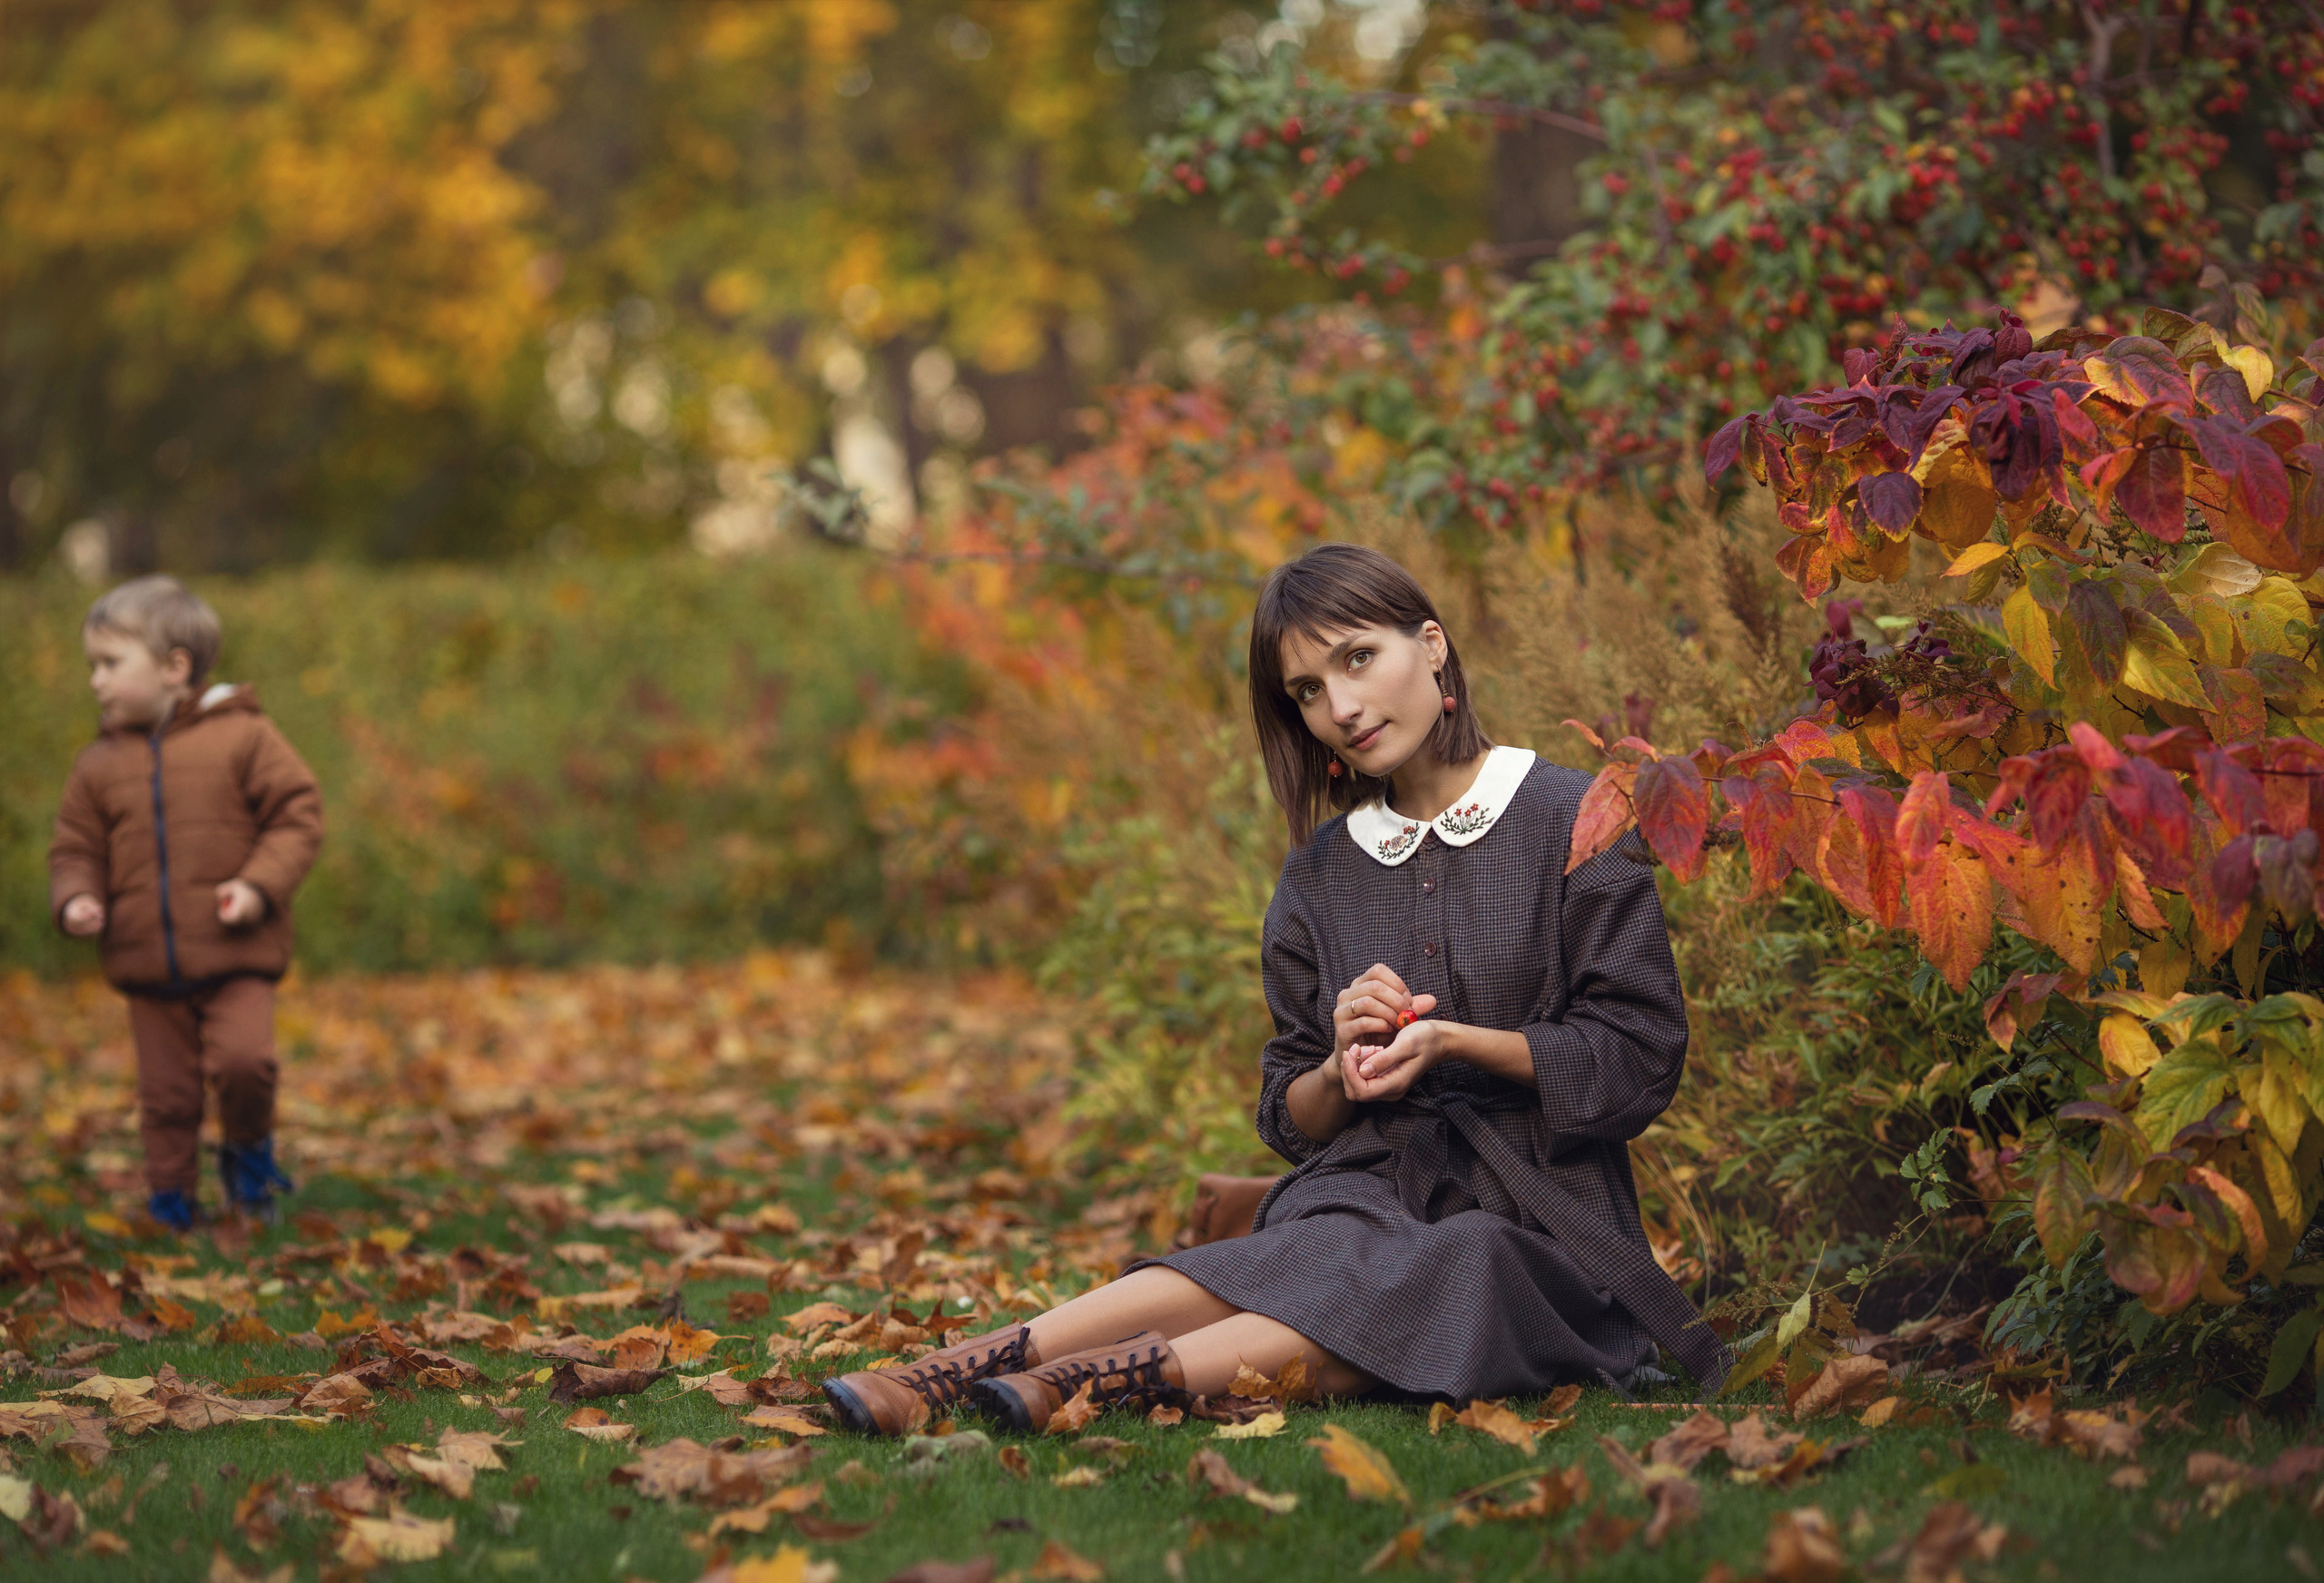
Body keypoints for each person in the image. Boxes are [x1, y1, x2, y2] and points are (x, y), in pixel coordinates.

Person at [824, 543, 1727, 1436]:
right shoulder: (1321, 872)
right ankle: (961, 1367)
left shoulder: (1575, 817)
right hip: (1369, 1191)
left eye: (1357, 659)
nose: (1340, 707)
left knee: (1463, 1262)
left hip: (1545, 1220)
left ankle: (1091, 1383)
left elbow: (1638, 1057)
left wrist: (1456, 1041)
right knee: (1314, 1246)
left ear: (1433, 644)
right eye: (1305, 690)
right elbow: (1291, 1115)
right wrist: (1340, 1068)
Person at [48, 576, 324, 1231]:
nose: (96, 680)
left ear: (175, 668)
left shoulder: (245, 737)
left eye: (111, 664)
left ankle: (248, 1161)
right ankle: (172, 1200)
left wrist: (258, 886)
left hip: (236, 956)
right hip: (148, 965)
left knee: (246, 1064)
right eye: (94, 665)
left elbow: (298, 815)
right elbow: (74, 850)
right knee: (166, 1095)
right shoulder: (97, 765)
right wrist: (77, 898)